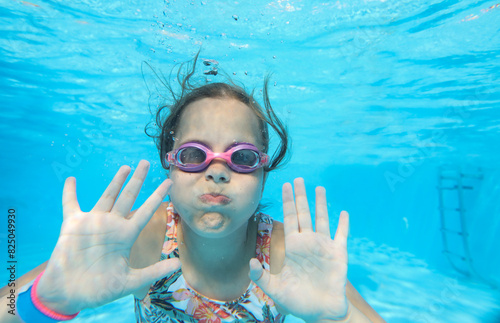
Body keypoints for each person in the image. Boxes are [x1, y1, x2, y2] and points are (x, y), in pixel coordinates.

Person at [0, 55, 386, 323]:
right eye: (193, 154)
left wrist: (335, 318)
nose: (217, 172)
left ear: (264, 174)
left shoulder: (289, 254)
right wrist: (45, 302)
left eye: (243, 158)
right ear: (170, 164)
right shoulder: (143, 241)